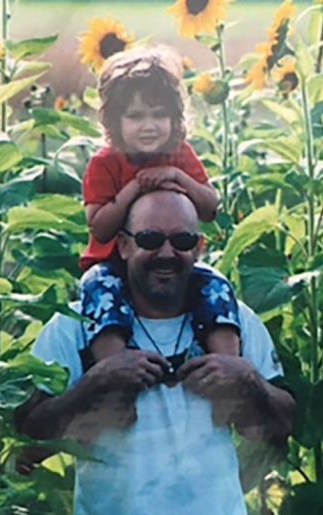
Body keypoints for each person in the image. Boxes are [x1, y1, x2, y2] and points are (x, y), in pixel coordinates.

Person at [16, 190, 296, 515]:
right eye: (149, 239)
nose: (166, 253)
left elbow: (281, 429)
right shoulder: (72, 327)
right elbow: (25, 445)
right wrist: (93, 386)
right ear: (124, 245)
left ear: (199, 248)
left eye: (182, 242)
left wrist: (248, 381)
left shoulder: (234, 322)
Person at [79, 46, 242, 368]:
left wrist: (177, 176)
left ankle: (228, 368)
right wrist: (135, 187)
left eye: (159, 114)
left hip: (174, 261)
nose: (149, 125)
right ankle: (116, 371)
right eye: (135, 116)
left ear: (175, 117)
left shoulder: (179, 154)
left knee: (216, 287)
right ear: (115, 121)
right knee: (96, 291)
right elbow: (99, 226)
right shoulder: (105, 164)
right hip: (115, 267)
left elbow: (210, 207)